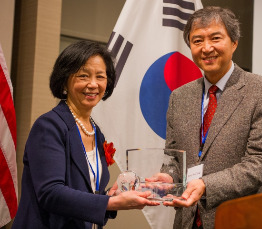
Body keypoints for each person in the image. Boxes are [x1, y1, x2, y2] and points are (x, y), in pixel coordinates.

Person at [152, 6, 262, 229]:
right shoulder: (179, 97)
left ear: (234, 42)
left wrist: (206, 184)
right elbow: (174, 157)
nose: (206, 48)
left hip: (242, 218)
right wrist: (170, 178)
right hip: (187, 220)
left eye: (215, 38)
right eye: (197, 41)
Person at [12, 40, 159, 229]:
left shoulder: (96, 132)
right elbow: (51, 193)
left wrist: (111, 197)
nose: (93, 84)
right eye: (83, 76)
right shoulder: (49, 126)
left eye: (100, 76)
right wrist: (110, 203)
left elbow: (84, 194)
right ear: (64, 79)